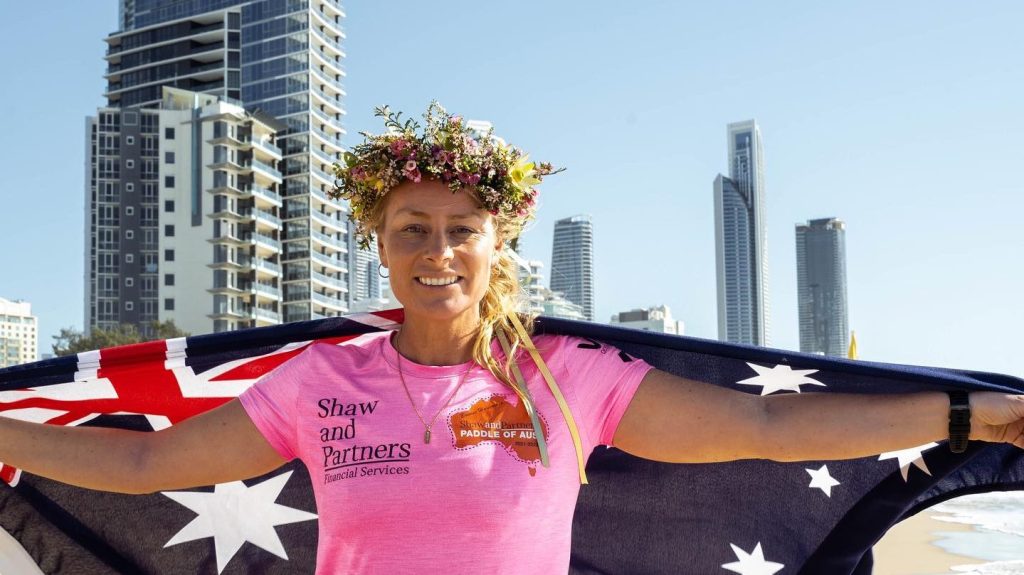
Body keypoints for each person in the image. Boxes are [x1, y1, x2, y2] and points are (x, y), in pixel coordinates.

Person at [1, 102, 1022, 574]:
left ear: (499, 242)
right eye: (412, 231)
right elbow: (145, 459)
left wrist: (967, 411)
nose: (436, 252)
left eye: (461, 231)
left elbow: (762, 422)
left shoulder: (566, 375)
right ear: (380, 244)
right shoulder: (324, 380)